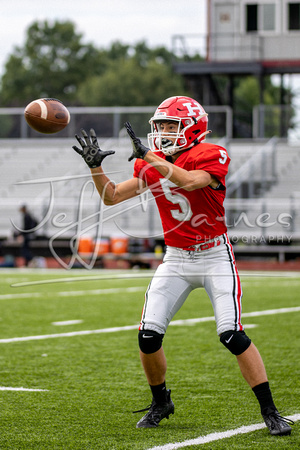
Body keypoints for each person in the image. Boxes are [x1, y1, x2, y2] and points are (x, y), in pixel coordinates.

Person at [72, 96, 293, 435]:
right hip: (175, 258)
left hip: (214, 255)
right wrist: (95, 168)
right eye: (159, 125)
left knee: (231, 334)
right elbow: (112, 196)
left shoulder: (210, 153)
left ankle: (270, 410)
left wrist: (149, 157)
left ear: (193, 128)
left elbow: (189, 181)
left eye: (170, 125)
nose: (162, 132)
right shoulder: (152, 161)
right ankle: (161, 401)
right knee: (148, 336)